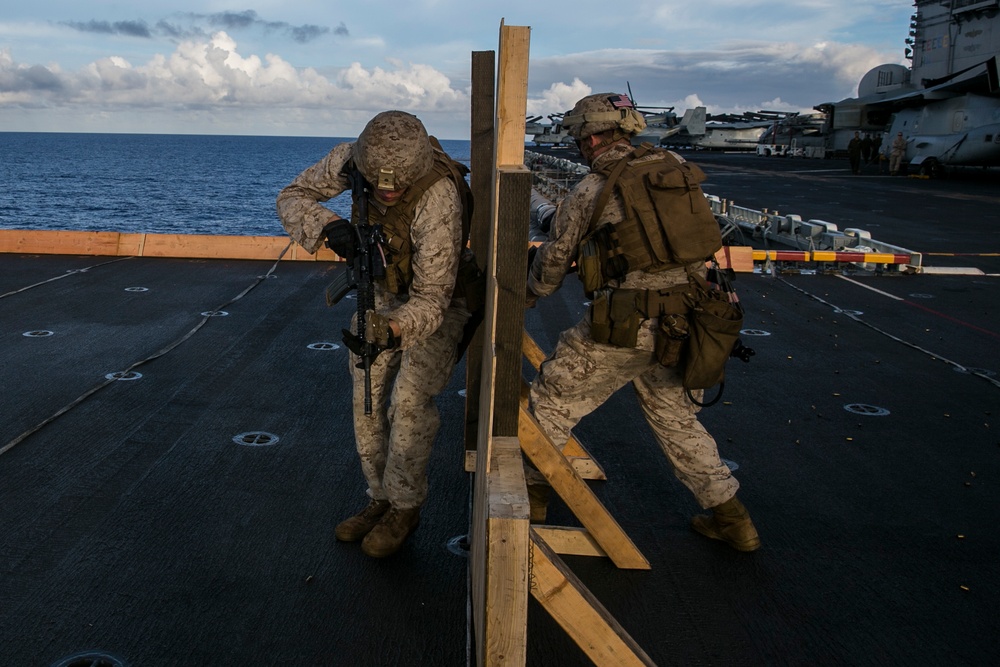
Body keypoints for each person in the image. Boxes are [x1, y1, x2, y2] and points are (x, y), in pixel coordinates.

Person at [525, 93, 761, 552]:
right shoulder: (673, 167)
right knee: (677, 421)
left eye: (579, 138)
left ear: (591, 137)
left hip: (625, 325)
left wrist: (531, 293)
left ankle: (533, 496)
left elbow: (555, 260)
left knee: (552, 400)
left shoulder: (591, 190)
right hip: (688, 319)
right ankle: (733, 519)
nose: (578, 145)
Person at [276, 111, 472, 558]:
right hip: (380, 292)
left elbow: (433, 298)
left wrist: (393, 329)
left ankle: (405, 507)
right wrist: (328, 226)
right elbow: (292, 195)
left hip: (436, 303)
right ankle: (378, 497)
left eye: (397, 186)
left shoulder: (438, 198)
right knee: (367, 393)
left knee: (408, 400)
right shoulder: (351, 160)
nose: (387, 192)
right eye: (379, 184)